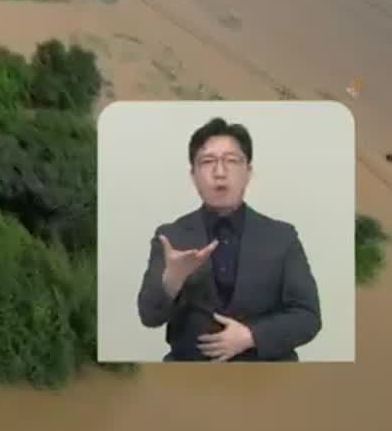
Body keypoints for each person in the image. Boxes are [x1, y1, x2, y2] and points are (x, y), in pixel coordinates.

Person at [136, 117, 321, 362]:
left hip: (267, 376)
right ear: (193, 175)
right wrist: (172, 281)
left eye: (232, 161)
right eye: (207, 161)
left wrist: (251, 336)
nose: (220, 172)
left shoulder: (282, 237)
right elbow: (149, 317)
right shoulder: (171, 236)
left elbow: (308, 316)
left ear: (248, 172)